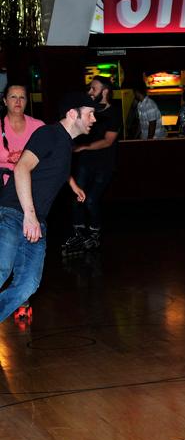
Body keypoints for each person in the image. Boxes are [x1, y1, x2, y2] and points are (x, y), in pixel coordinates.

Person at [0, 93, 94, 322]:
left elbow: (51, 168)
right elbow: (22, 169)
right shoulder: (49, 134)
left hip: (36, 222)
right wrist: (29, 216)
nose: (94, 119)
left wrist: (72, 184)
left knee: (27, 286)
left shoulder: (65, 145)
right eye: (90, 113)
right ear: (73, 114)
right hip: (15, 213)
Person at [62, 76, 122, 254]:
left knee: (91, 200)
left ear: (105, 91)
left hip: (104, 165)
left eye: (93, 89)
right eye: (89, 88)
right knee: (77, 199)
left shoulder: (114, 113)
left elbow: (108, 141)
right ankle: (78, 234)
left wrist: (83, 146)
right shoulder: (86, 110)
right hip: (84, 163)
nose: (89, 91)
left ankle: (94, 234)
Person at [1, 84, 44, 188]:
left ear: (26, 101)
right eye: (13, 97)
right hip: (4, 188)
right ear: (5, 101)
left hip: (34, 185)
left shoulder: (38, 126)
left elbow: (53, 157)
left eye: (22, 97)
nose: (18, 101)